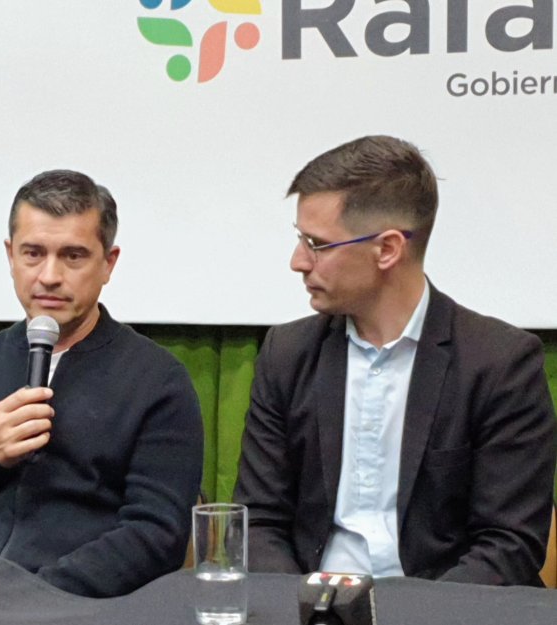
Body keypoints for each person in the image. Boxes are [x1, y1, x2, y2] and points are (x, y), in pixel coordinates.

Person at [233, 135, 556, 586]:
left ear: (387, 249)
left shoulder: (499, 364)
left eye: (317, 244)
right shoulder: (287, 354)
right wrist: (304, 611)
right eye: (299, 239)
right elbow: (259, 521)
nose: (297, 262)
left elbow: (509, 545)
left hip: (442, 612)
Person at [0, 169, 203, 597]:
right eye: (33, 253)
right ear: (10, 255)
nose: (49, 276)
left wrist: (37, 595)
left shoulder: (157, 380)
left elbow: (158, 536)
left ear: (108, 264)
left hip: (78, 604)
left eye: (73, 256)